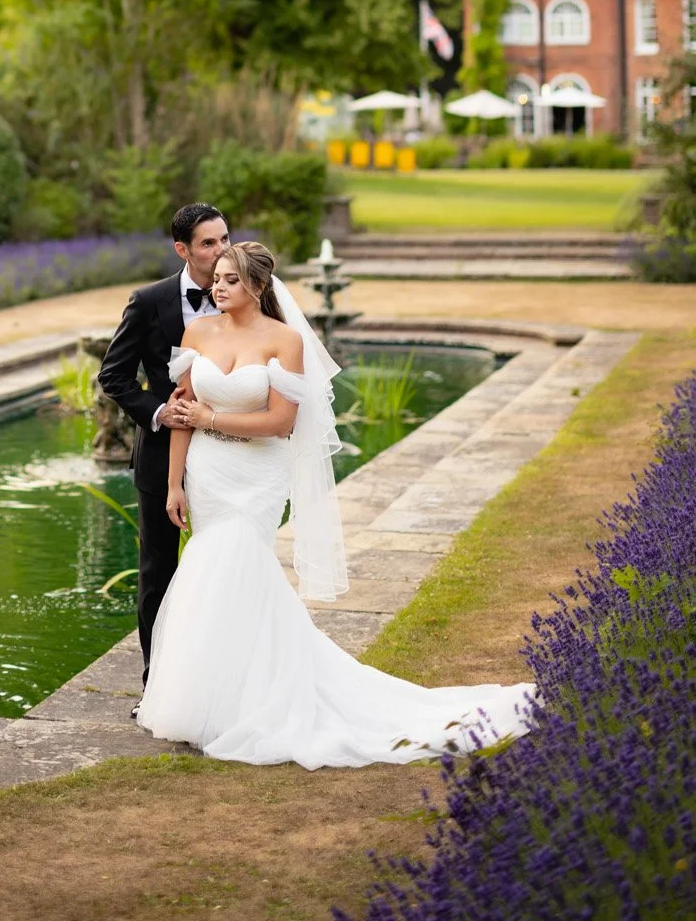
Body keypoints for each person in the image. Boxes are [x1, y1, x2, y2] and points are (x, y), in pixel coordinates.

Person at [134, 238, 536, 766]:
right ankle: (210, 697)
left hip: (256, 474)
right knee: (210, 569)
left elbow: (281, 423)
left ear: (257, 285)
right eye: (218, 279)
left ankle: (251, 700)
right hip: (207, 471)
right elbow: (182, 411)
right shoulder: (197, 332)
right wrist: (174, 484)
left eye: (231, 280)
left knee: (238, 565)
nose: (219, 287)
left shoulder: (285, 340)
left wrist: (210, 418)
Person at [97, 203, 231, 691]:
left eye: (224, 239)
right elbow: (113, 375)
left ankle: (218, 681)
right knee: (158, 573)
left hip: (228, 455)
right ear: (182, 250)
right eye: (208, 243)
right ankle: (157, 685)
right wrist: (158, 411)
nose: (220, 250)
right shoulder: (149, 301)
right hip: (159, 459)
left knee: (228, 569)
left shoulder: (249, 295)